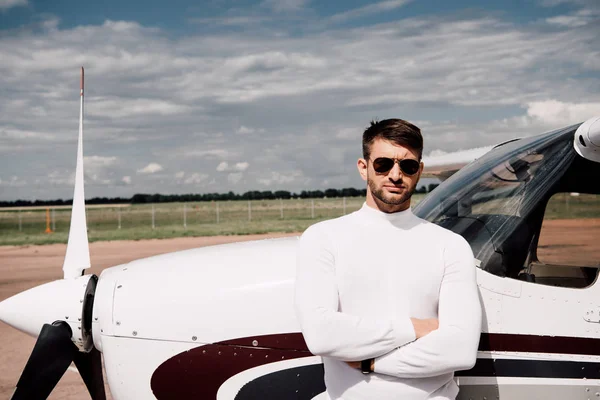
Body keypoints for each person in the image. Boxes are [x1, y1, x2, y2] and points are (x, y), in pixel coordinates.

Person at [294, 119, 482, 399]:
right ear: (363, 167)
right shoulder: (323, 238)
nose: (395, 174)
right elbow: (322, 335)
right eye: (383, 164)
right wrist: (414, 327)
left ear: (418, 172)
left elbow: (461, 350)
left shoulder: (451, 245)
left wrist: (369, 363)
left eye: (407, 166)